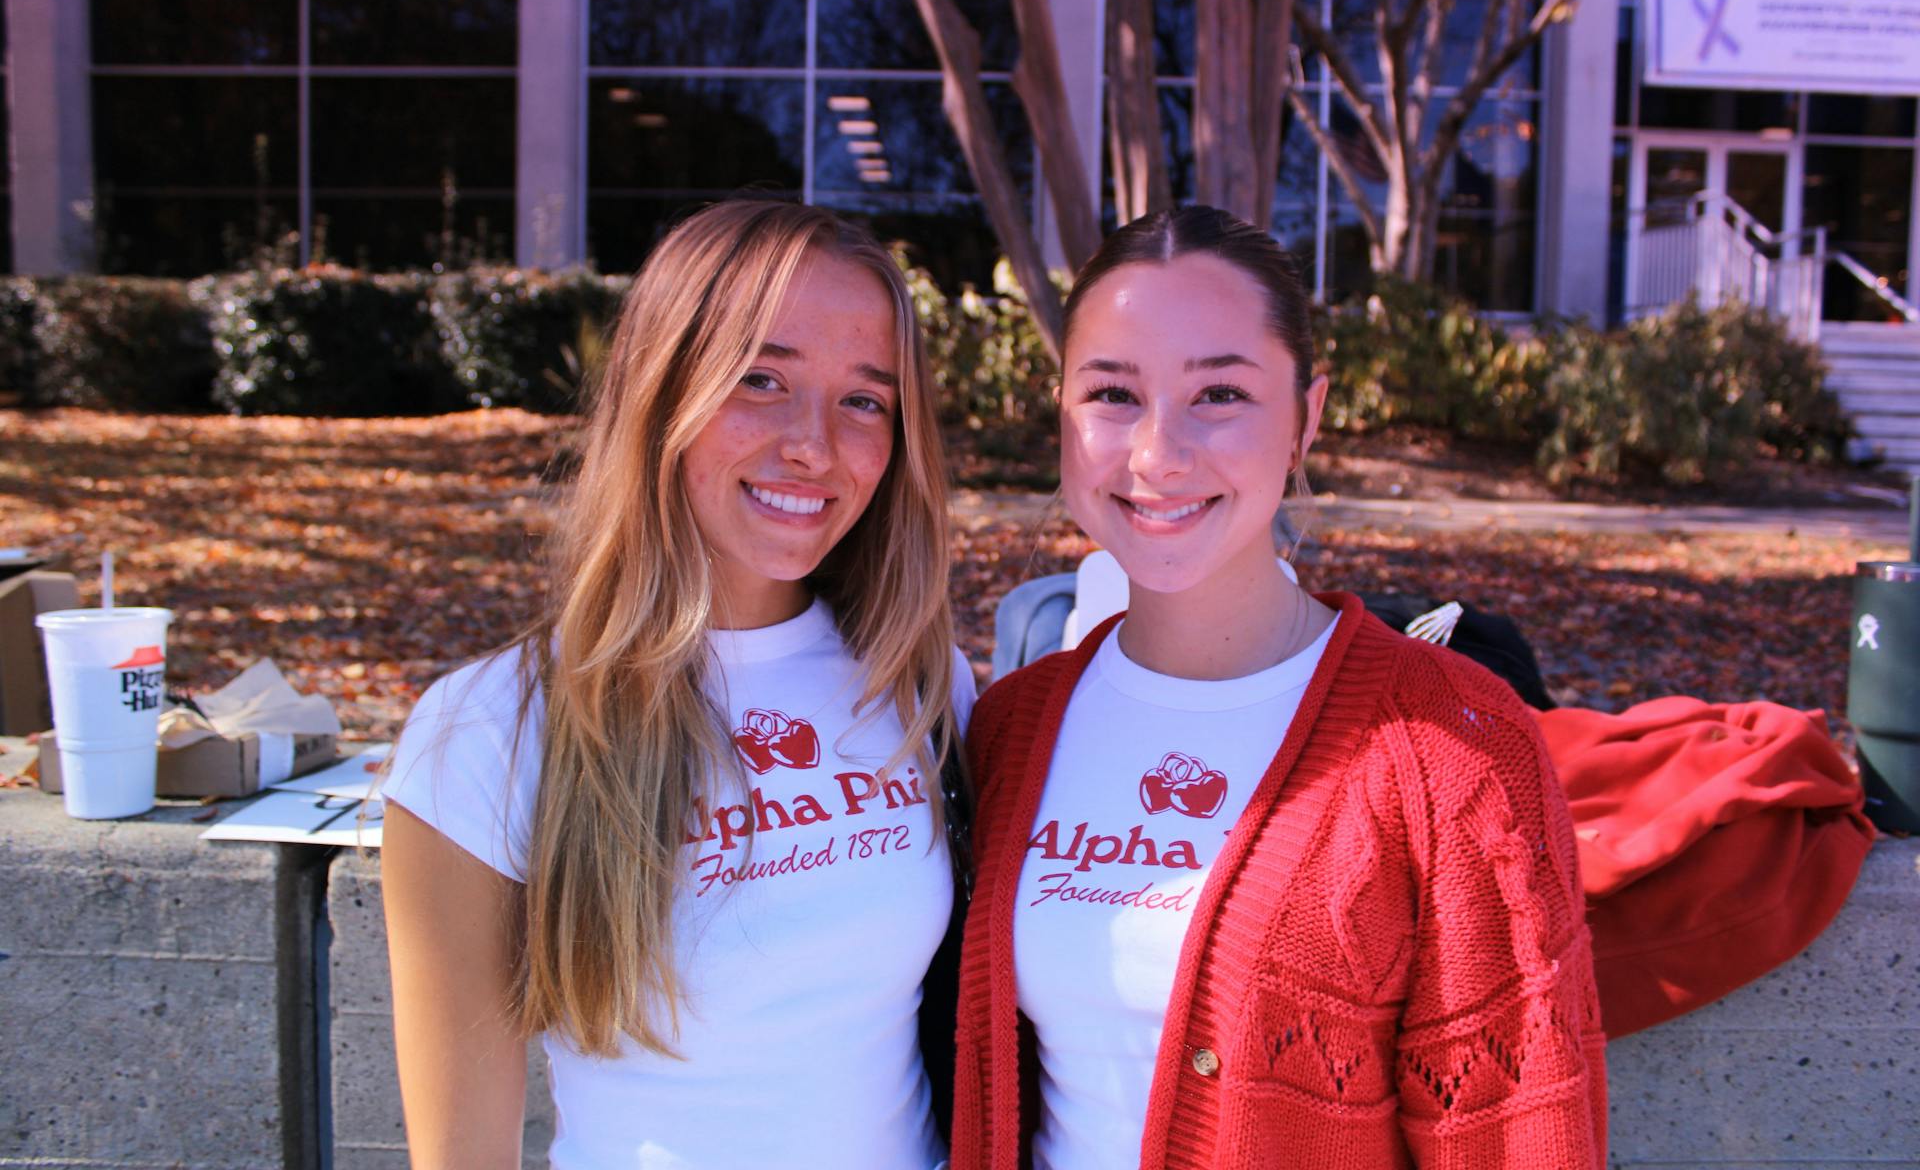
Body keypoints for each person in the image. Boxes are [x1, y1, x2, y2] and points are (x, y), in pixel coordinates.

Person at [951, 206, 1606, 1169]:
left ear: (1308, 415)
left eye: (1219, 393)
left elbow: (1520, 1137)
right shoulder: (1012, 725)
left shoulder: (1453, 748)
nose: (1157, 453)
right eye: (1112, 394)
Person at [380, 200, 974, 1170]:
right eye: (761, 379)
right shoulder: (488, 732)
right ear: (662, 391)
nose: (813, 444)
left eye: (863, 399)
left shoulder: (922, 685)